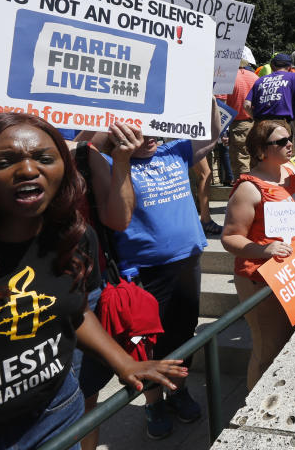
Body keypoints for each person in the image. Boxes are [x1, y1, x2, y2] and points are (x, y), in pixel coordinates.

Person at [0, 114, 186, 449]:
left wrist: (125, 362)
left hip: (57, 418)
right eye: (5, 161)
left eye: (45, 158)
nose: (30, 171)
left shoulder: (74, 237)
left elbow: (76, 309)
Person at [104, 101, 221, 439]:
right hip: (142, 272)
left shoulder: (174, 151)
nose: (149, 136)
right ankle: (153, 401)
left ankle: (179, 391)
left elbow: (212, 136)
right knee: (145, 345)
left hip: (186, 263)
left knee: (183, 334)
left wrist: (209, 98)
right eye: (139, 132)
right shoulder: (113, 164)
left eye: (153, 128)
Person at [220, 120, 295, 389]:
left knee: (293, 341)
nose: (289, 144)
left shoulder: (294, 171)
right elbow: (229, 237)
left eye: (290, 139)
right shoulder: (249, 188)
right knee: (268, 349)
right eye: (281, 142)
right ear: (261, 150)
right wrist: (263, 249)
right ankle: (251, 414)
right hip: (261, 279)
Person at [245, 53, 295, 125]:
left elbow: (247, 105)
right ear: (290, 67)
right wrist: (293, 115)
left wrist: (256, 119)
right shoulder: (294, 77)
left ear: (272, 66)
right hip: (281, 123)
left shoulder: (260, 80)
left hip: (260, 124)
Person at [225, 61, 259, 181]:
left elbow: (222, 105)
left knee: (241, 159)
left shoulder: (228, 78)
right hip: (256, 122)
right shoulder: (255, 77)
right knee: (255, 158)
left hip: (238, 124)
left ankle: (243, 188)